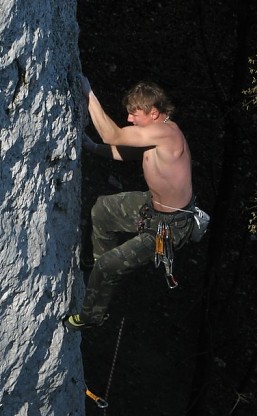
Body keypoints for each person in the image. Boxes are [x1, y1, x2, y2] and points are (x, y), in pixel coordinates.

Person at [63, 76, 195, 330]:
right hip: (152, 206)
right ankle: (99, 267)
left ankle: (91, 317)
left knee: (108, 266)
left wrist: (88, 94)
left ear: (154, 113)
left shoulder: (167, 134)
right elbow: (130, 152)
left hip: (169, 227)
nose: (130, 120)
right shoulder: (159, 133)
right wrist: (93, 148)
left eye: (135, 115)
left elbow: (113, 135)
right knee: (102, 209)